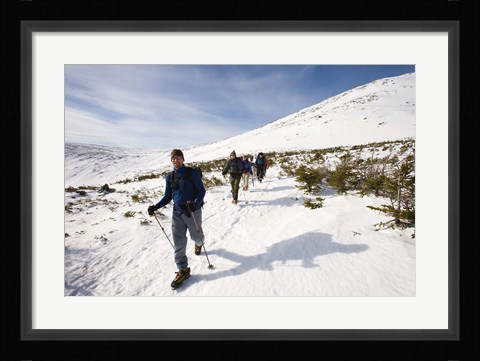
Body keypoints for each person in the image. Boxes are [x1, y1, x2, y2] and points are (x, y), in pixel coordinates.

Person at [147, 149, 206, 289]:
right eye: (174, 158)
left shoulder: (192, 173)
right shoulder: (170, 176)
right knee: (178, 244)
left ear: (183, 159)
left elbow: (201, 190)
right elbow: (168, 196)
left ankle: (199, 244)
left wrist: (195, 204)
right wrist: (156, 206)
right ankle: (183, 270)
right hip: (177, 213)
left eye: (179, 158)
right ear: (171, 161)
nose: (176, 160)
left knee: (197, 238)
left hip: (192, 212)